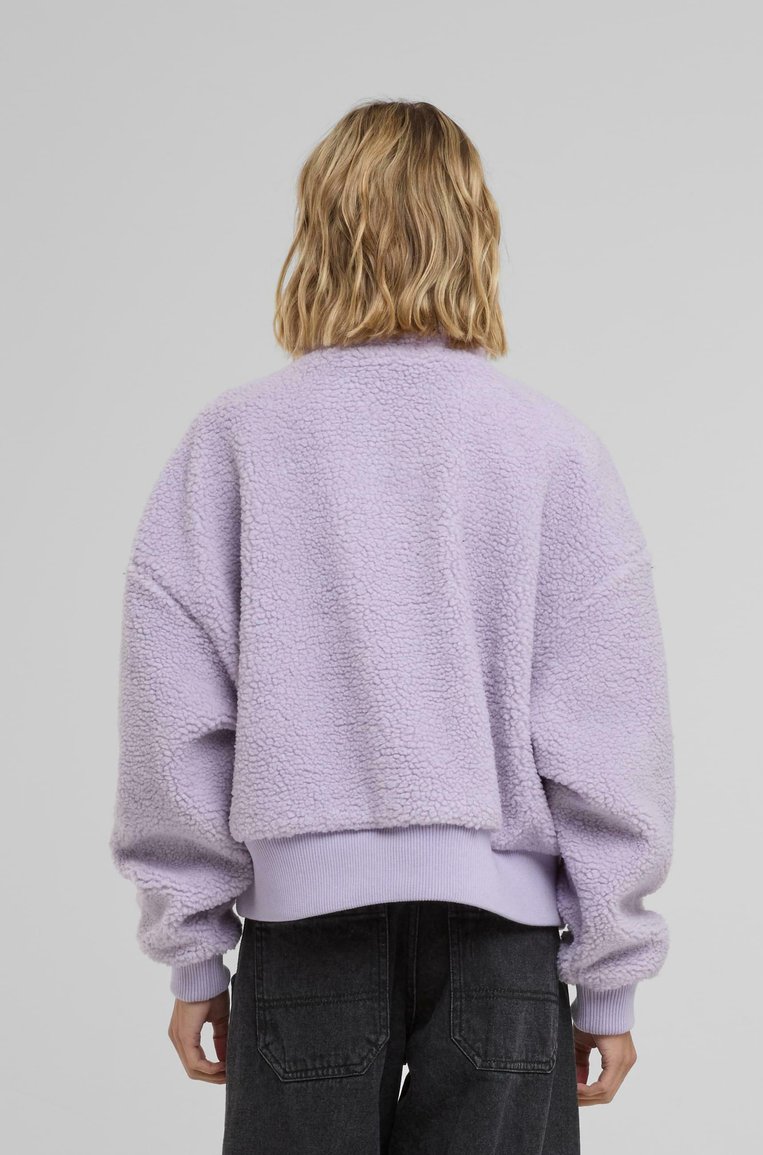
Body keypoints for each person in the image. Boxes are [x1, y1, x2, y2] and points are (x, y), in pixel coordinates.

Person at [110, 99, 674, 1154]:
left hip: (302, 938)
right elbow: (611, 733)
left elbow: (170, 714)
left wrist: (191, 954)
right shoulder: (548, 448)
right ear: (477, 235)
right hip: (503, 947)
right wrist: (609, 977)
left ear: (315, 234)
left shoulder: (236, 440)